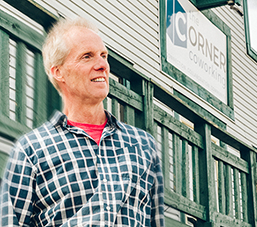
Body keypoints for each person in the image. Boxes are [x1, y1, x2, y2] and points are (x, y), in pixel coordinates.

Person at [0, 17, 164, 227]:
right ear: (58, 72)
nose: (102, 65)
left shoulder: (144, 145)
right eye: (87, 56)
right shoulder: (30, 150)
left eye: (104, 56)